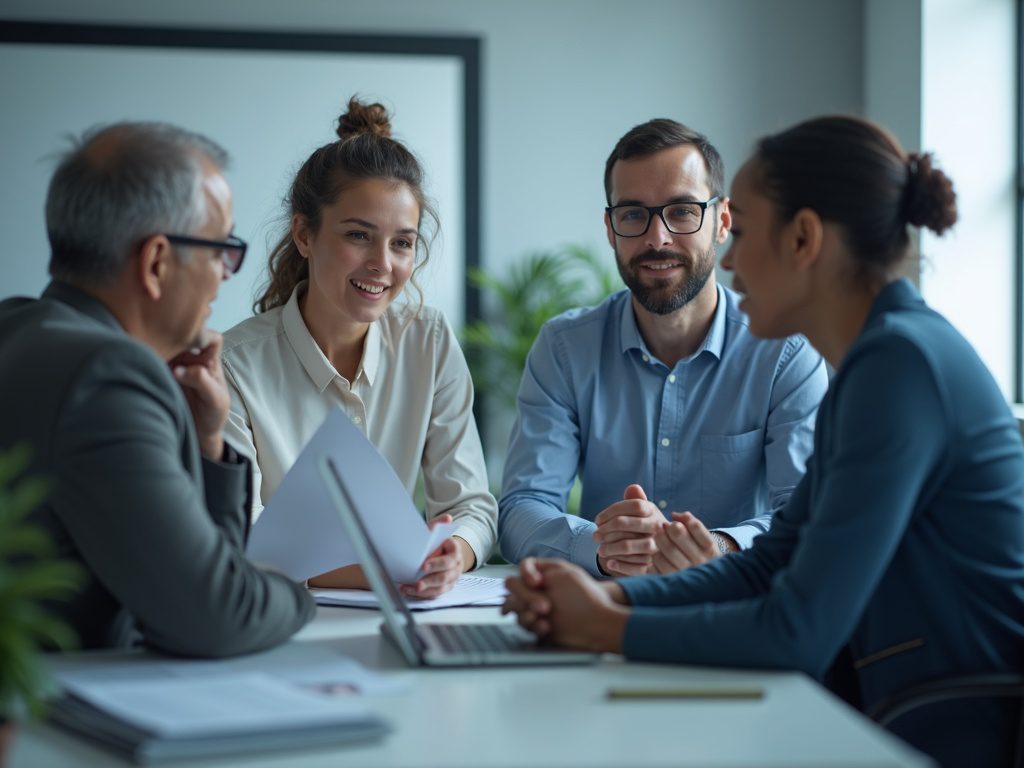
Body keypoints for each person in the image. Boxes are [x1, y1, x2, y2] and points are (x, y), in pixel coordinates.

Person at [503, 115, 1024, 766]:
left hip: (953, 721)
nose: (729, 260)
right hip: (894, 701)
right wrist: (607, 595)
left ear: (802, 239)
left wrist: (605, 624)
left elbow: (797, 630)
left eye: (743, 232)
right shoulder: (877, 360)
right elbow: (767, 562)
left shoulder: (900, 367)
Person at [0, 122, 315, 656]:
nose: (224, 275)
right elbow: (218, 616)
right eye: (220, 250)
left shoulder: (16, 326)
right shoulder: (108, 375)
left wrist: (207, 443)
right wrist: (302, 594)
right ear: (156, 262)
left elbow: (198, 582)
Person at [498, 118, 828, 577]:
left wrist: (718, 547)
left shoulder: (784, 352)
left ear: (722, 221)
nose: (657, 238)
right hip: (608, 603)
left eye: (682, 211)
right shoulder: (564, 348)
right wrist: (602, 548)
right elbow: (521, 508)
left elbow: (807, 514)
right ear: (611, 229)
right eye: (633, 214)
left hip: (732, 603)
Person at [222, 98, 496, 599]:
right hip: (278, 618)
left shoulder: (429, 341)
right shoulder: (234, 365)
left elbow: (471, 507)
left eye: (402, 243)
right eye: (358, 236)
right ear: (304, 235)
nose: (382, 264)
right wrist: (390, 571)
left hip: (411, 612)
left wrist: (452, 555)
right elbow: (243, 536)